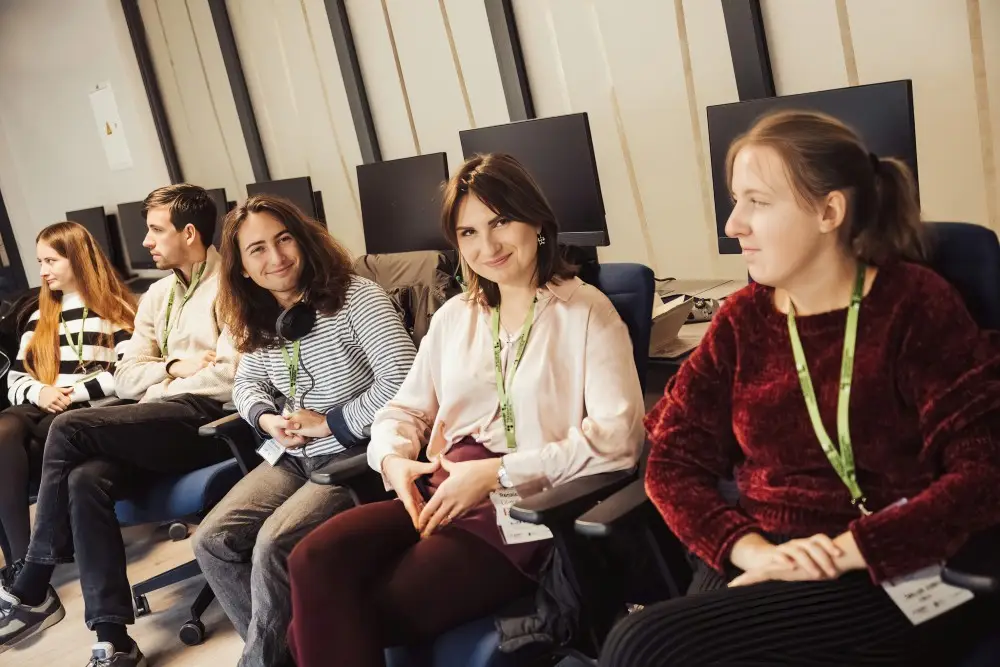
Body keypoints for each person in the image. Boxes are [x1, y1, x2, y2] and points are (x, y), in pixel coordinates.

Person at [600, 110, 1000, 667]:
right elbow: (671, 460)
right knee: (655, 644)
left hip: (886, 566)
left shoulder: (914, 306)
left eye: (757, 202)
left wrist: (844, 551)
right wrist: (754, 552)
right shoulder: (742, 320)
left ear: (828, 211)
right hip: (765, 550)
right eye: (736, 201)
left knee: (640, 646)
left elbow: (983, 475)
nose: (734, 224)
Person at [284, 153, 646, 667]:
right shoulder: (457, 317)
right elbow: (402, 411)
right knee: (311, 559)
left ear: (538, 223)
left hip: (526, 510)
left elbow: (618, 441)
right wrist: (393, 460)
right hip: (441, 490)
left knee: (320, 625)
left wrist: (496, 473)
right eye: (468, 232)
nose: (487, 245)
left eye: (501, 222)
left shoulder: (586, 312)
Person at [0, 184, 239, 667]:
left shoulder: (232, 288)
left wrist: (161, 382)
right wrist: (175, 368)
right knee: (85, 478)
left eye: (154, 230)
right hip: (158, 418)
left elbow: (230, 376)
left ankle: (32, 582)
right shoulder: (157, 294)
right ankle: (112, 638)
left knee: (70, 428)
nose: (145, 243)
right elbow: (127, 376)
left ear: (189, 233)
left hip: (208, 421)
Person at [192, 195, 416, 667]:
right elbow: (247, 382)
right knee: (211, 540)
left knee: (275, 542)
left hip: (357, 455)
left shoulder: (357, 297)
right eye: (257, 250)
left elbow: (403, 377)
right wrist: (266, 418)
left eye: (284, 239)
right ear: (244, 269)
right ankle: (284, 657)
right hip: (292, 454)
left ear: (304, 240)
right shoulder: (260, 315)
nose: (275, 258)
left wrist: (331, 422)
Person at [0, 222, 136, 587]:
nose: (42, 271)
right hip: (42, 406)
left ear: (77, 259)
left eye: (51, 261)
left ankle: (30, 569)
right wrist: (40, 393)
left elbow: (129, 374)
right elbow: (15, 379)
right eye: (40, 261)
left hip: (85, 412)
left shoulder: (116, 310)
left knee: (30, 440)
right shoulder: (39, 318)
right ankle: (21, 558)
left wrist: (72, 394)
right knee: (4, 429)